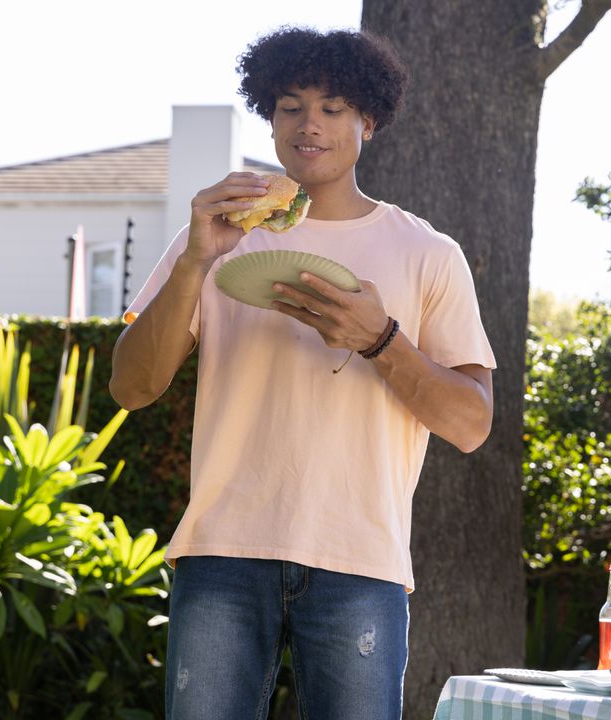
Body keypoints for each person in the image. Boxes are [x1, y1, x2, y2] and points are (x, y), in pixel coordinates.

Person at [110, 27, 495, 720]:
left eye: (333, 106)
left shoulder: (429, 253)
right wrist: (196, 261)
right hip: (222, 553)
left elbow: (471, 424)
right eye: (290, 106)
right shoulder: (215, 235)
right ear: (271, 116)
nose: (309, 123)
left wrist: (380, 340)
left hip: (361, 563)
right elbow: (131, 388)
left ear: (367, 121)